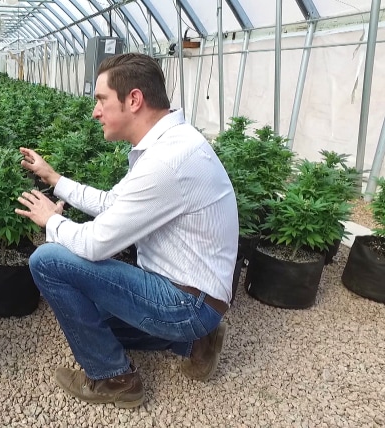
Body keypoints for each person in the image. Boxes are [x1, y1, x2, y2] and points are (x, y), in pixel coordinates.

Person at [15, 53, 238, 409]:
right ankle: (195, 342)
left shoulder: (167, 162)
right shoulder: (169, 144)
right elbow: (111, 203)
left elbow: (94, 244)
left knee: (47, 260)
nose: (95, 112)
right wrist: (54, 179)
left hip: (185, 302)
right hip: (195, 294)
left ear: (133, 99)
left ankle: (113, 379)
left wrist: (51, 221)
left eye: (101, 100)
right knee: (89, 320)